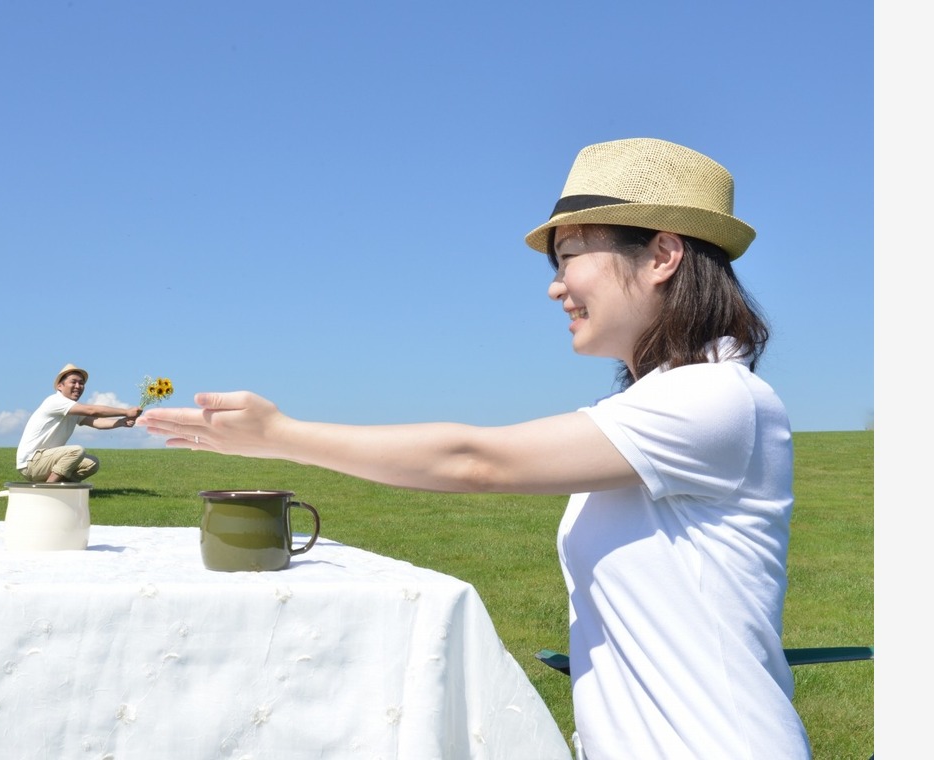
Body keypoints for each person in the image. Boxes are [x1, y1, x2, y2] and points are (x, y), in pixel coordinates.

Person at [139, 138, 809, 759]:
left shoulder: (717, 400)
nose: (555, 285)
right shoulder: (655, 407)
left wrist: (279, 437)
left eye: (571, 255)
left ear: (662, 256)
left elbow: (478, 462)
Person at [16, 363, 142, 483]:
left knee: (91, 463)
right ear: (60, 386)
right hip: (31, 463)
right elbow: (92, 411)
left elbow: (96, 422)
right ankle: (48, 490)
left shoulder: (71, 408)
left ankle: (65, 490)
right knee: (76, 451)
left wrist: (120, 422)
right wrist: (126, 412)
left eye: (81, 383)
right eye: (73, 382)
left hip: (46, 461)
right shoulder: (55, 401)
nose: (78, 386)